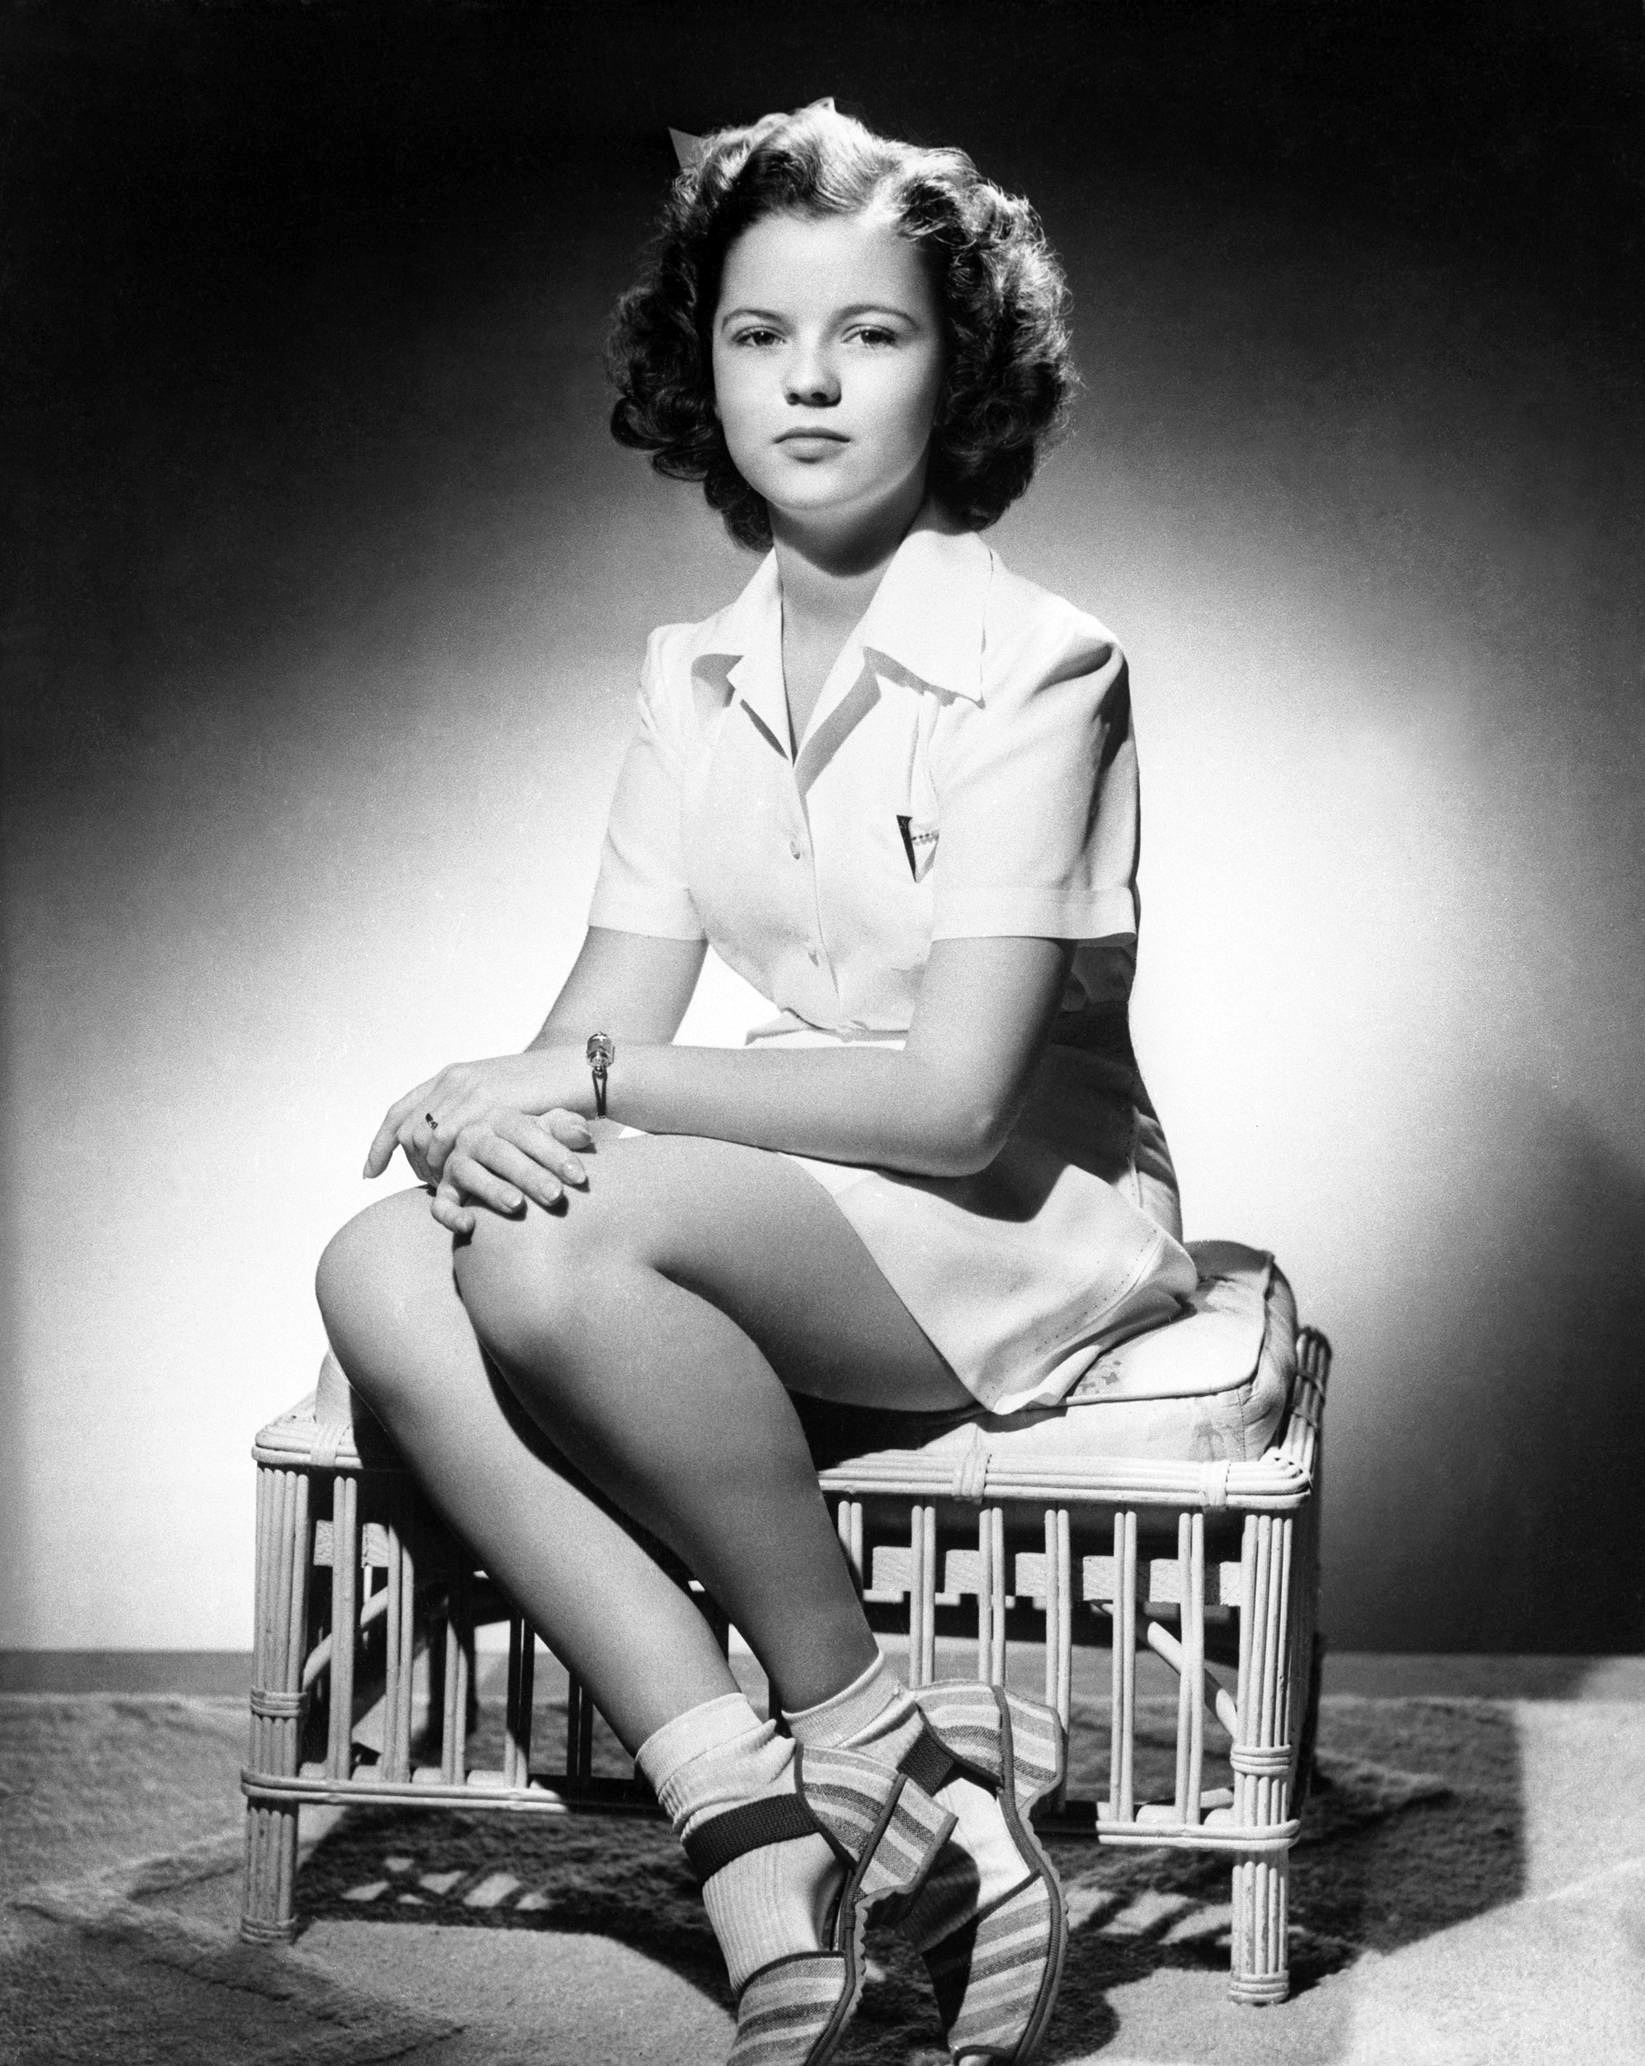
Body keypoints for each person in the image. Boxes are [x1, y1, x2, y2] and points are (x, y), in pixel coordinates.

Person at [316, 100, 1196, 2066]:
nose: (805, 379)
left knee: (545, 1252)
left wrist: (575, 1082)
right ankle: (743, 1825)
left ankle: (873, 1743)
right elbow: (591, 1026)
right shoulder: (688, 673)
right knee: (386, 1255)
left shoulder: (1041, 664)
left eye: (869, 332)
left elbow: (958, 1106)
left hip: (1017, 1209)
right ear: (696, 367)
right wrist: (487, 1108)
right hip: (798, 1183)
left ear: (959, 370)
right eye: (756, 332)